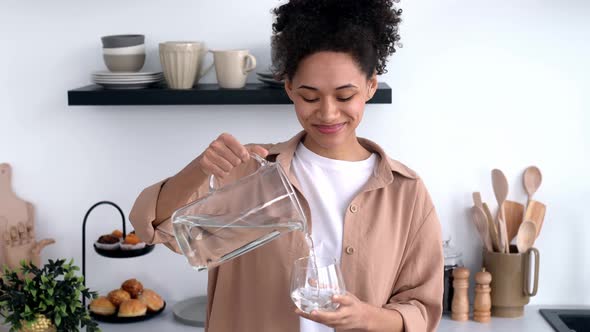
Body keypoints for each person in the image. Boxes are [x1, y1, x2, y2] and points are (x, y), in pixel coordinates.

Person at [129, 0, 443, 331]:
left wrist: (366, 318)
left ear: (370, 86)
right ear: (289, 87)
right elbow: (152, 227)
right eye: (310, 97)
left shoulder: (405, 193)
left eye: (344, 96)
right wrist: (200, 167)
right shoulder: (251, 171)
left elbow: (422, 309)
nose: (328, 113)